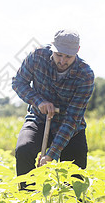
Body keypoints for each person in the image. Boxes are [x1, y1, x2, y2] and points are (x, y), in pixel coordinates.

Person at [12, 29, 95, 191]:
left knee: (74, 176)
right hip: (39, 120)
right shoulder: (37, 57)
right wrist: (38, 101)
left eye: (68, 57)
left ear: (77, 51)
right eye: (59, 55)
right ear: (52, 47)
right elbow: (18, 82)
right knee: (24, 150)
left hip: (70, 127)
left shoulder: (85, 74)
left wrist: (51, 154)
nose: (62, 61)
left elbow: (73, 118)